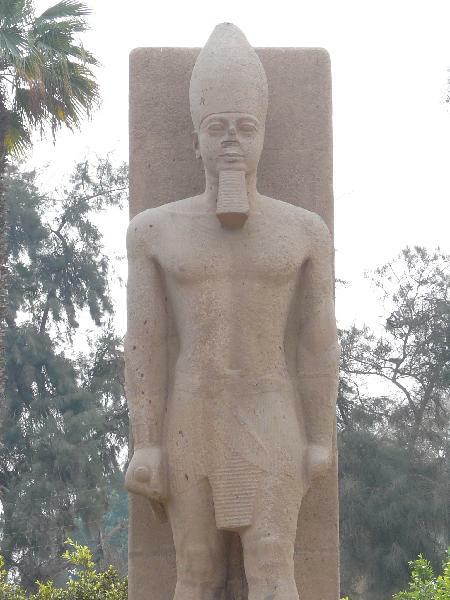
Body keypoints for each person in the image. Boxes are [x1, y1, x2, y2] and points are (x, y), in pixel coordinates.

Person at [125, 23, 339, 600]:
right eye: (217, 128)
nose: (231, 142)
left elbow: (317, 342)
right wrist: (147, 442)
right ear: (196, 139)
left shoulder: (304, 232)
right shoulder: (153, 232)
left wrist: (321, 436)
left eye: (245, 128)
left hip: (272, 409)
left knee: (272, 566)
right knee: (195, 570)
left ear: (263, 135)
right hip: (190, 411)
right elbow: (145, 344)